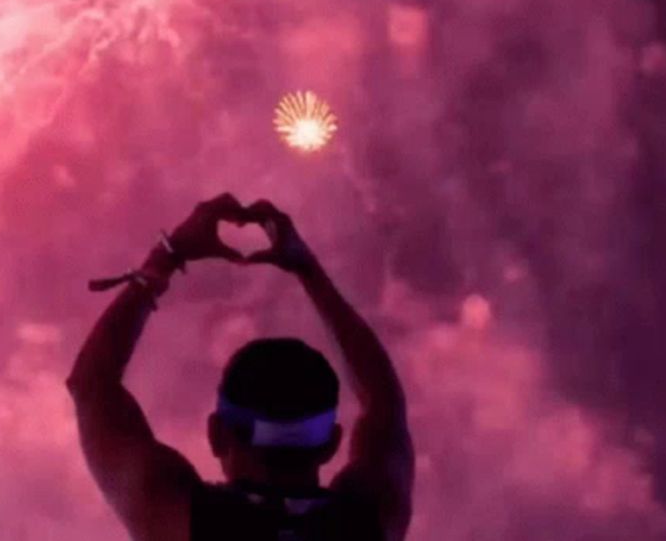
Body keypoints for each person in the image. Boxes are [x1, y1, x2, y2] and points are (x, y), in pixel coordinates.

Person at [67, 194, 414, 541]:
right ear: (331, 444)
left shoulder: (178, 517)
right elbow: (384, 401)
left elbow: (91, 385)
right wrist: (309, 270)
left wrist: (166, 257)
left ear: (216, 436)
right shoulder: (371, 522)